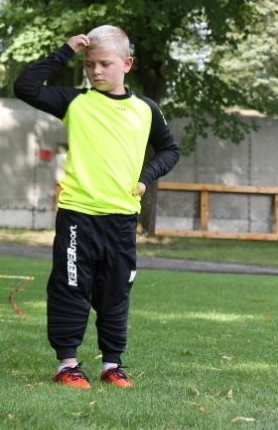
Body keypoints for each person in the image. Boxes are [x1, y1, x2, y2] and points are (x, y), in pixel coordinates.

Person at [14, 26, 179, 389]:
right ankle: (67, 366)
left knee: (115, 291)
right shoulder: (75, 102)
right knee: (70, 287)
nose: (96, 71)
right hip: (78, 215)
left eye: (105, 64)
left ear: (127, 64)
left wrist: (145, 178)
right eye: (90, 65)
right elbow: (25, 87)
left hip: (122, 218)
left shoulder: (146, 109)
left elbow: (170, 150)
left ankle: (112, 365)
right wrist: (66, 51)